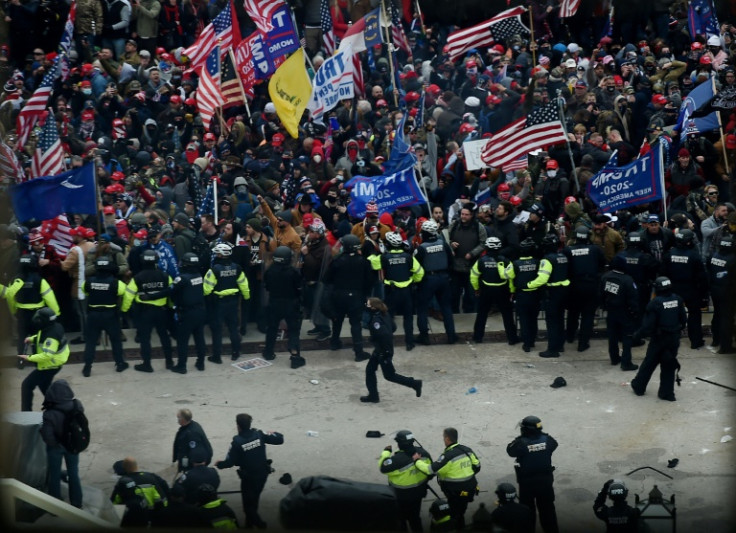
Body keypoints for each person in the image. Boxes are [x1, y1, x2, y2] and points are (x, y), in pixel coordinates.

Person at [215, 413, 284, 529]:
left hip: (249, 478)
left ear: (238, 425)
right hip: (262, 474)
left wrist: (219, 464)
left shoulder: (237, 442)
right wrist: (273, 432)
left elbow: (229, 462)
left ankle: (260, 524)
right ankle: (249, 525)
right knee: (254, 500)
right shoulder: (259, 434)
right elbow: (280, 439)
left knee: (248, 508)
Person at [631, 277, 687, 401]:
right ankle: (667, 393)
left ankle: (639, 386)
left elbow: (647, 326)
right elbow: (683, 319)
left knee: (649, 363)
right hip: (673, 339)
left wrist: (636, 336)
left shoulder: (655, 303)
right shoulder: (677, 299)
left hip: (659, 339)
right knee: (668, 365)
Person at [413, 427, 480, 531]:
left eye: (444, 437)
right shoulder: (467, 450)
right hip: (470, 490)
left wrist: (417, 461)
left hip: (456, 493)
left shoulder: (447, 456)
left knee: (454, 513)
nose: (443, 439)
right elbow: (477, 466)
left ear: (448, 439)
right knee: (461, 511)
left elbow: (430, 470)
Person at [368, 231, 424, 351]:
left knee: (387, 316)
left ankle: (388, 341)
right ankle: (409, 343)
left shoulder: (384, 257)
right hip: (407, 292)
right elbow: (420, 272)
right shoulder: (408, 257)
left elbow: (372, 263)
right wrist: (413, 280)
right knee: (408, 317)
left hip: (391, 292)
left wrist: (375, 253)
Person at [360, 297, 423, 403]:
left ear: (374, 308)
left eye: (368, 305)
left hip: (383, 351)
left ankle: (414, 383)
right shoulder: (385, 314)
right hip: (381, 349)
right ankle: (373, 395)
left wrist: (375, 340)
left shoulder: (376, 320)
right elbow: (393, 327)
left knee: (390, 375)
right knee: (370, 370)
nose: (366, 306)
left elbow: (384, 334)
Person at [121, 249, 174, 372]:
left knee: (145, 339)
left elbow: (128, 295)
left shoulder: (137, 278)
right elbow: (172, 293)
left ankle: (147, 364)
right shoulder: (165, 276)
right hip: (162, 311)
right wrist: (171, 306)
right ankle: (169, 361)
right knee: (164, 337)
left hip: (144, 313)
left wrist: (124, 310)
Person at [323, 234, 373, 361]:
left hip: (339, 296)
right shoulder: (364, 262)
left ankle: (334, 343)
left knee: (337, 320)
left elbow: (327, 279)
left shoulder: (337, 261)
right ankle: (358, 351)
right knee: (356, 323)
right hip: (357, 296)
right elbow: (370, 282)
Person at [506, 416, 559, 533]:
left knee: (527, 512)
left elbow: (510, 451)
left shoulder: (521, 443)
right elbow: (554, 445)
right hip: (545, 482)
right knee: (548, 511)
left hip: (527, 483)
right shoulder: (547, 439)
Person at [4, 254, 60, 356]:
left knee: (22, 337)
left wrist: (14, 311)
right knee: (37, 337)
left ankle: (20, 360)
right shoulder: (39, 280)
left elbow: (9, 297)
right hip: (38, 314)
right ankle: (36, 359)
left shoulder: (14, 280)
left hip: (21, 313)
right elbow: (50, 298)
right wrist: (56, 312)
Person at [203, 242, 250, 362]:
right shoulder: (237, 268)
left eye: (216, 253)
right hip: (233, 302)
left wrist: (207, 299)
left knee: (217, 330)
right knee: (233, 328)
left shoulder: (213, 270)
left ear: (220, 255)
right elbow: (244, 285)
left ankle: (217, 356)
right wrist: (246, 297)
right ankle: (235, 353)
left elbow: (206, 289)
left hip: (218, 304)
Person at [81, 256, 128, 376]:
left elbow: (85, 292)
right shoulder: (116, 283)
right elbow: (124, 293)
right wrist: (123, 310)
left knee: (90, 342)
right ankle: (120, 364)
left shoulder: (88, 282)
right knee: (116, 341)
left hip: (93, 315)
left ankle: (87, 368)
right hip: (111, 315)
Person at [40, 379, 83, 509]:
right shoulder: (77, 405)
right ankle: (76, 503)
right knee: (73, 473)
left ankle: (55, 506)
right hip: (73, 444)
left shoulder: (49, 413)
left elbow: (48, 435)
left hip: (56, 448)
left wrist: (55, 444)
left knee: (55, 474)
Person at [660, 229, 706, 349]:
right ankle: (696, 341)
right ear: (689, 242)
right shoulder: (694, 256)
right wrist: (703, 292)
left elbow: (663, 273)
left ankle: (670, 341)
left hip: (673, 289)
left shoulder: (669, 254)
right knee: (694, 315)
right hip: (691, 289)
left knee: (671, 315)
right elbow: (702, 276)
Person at [379, 430, 432, 533]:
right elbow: (431, 472)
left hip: (400, 497)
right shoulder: (424, 454)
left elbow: (383, 467)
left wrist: (386, 452)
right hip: (418, 494)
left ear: (399, 444)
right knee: (415, 519)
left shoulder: (396, 460)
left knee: (400, 520)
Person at [414, 220, 457, 345]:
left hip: (427, 280)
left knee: (422, 309)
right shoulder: (444, 244)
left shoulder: (421, 248)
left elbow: (415, 266)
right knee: (446, 308)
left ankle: (424, 337)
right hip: (444, 278)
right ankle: (451, 336)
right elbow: (451, 262)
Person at [262, 246, 306, 369]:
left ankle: (268, 352)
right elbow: (299, 288)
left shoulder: (270, 271)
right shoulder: (293, 272)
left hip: (274, 302)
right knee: (293, 330)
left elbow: (267, 287)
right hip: (291, 304)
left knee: (272, 328)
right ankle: (295, 356)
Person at [18, 308, 70, 411]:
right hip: (51, 365)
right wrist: (32, 339)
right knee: (45, 388)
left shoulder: (51, 337)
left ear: (44, 321)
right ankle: (59, 409)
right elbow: (42, 336)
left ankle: (26, 414)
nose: (36, 321)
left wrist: (29, 357)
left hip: (49, 366)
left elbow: (47, 355)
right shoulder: (54, 326)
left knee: (27, 386)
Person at [470, 237, 518, 345]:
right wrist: (512, 291)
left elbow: (473, 276)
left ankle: (478, 337)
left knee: (482, 314)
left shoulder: (481, 261)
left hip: (486, 291)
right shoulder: (506, 261)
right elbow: (511, 277)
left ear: (486, 247)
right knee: (507, 315)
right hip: (503, 290)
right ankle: (512, 338)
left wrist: (476, 288)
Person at [564, 226, 605, 352]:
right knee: (588, 315)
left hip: (574, 286)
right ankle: (583, 343)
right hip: (591, 285)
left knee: (573, 313)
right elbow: (602, 264)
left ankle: (570, 336)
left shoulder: (568, 250)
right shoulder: (595, 250)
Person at [599, 256, 640, 371]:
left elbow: (601, 295)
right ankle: (626, 363)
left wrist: (604, 306)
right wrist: (635, 313)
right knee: (627, 337)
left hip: (611, 311)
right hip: (624, 312)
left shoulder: (605, 277)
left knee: (612, 336)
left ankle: (614, 358)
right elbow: (633, 299)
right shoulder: (627, 280)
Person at [170, 253, 208, 373]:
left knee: (182, 341)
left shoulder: (181, 279)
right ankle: (201, 363)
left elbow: (171, 292)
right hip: (200, 311)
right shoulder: (198, 275)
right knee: (199, 338)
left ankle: (182, 366)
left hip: (186, 313)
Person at [503, 238, 543, 352]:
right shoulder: (538, 262)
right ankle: (532, 341)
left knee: (524, 319)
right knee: (533, 319)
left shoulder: (515, 264)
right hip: (535, 294)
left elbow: (506, 275)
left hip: (521, 295)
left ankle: (526, 344)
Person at [110, 456, 170, 527]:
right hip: (153, 516)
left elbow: (113, 505)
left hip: (134, 520)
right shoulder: (151, 476)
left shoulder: (122, 484)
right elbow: (164, 496)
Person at [537, 233, 569, 358]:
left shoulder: (547, 259)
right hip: (563, 292)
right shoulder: (563, 256)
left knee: (552, 322)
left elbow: (543, 278)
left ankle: (552, 349)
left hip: (552, 293)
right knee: (560, 319)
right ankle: (560, 345)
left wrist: (528, 285)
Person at [707, 235, 736, 354]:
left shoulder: (713, 255)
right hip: (728, 292)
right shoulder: (733, 259)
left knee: (717, 315)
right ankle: (725, 346)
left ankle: (716, 339)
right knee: (727, 319)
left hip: (715, 290)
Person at [173, 408, 213, 473]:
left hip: (192, 464)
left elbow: (197, 451)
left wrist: (194, 466)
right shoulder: (193, 425)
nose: (177, 420)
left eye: (178, 418)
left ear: (183, 419)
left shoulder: (192, 434)